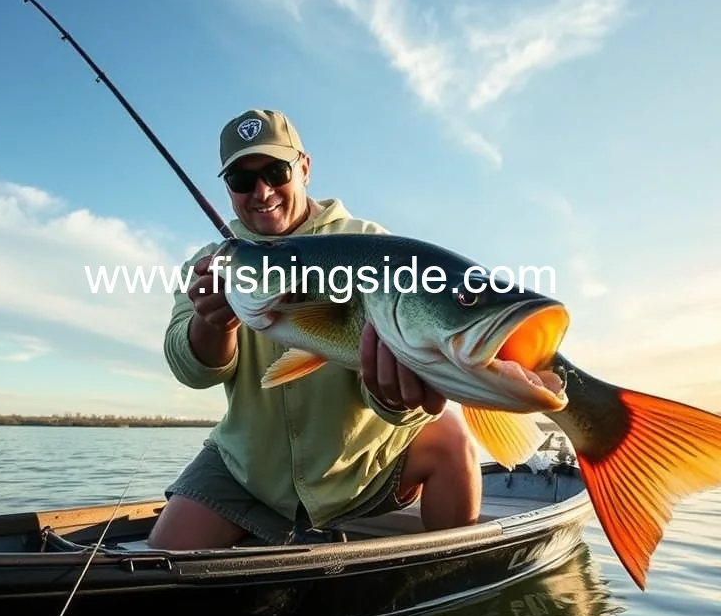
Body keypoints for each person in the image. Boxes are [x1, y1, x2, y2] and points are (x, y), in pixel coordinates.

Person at [148, 108, 481, 550]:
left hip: (363, 464)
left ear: (303, 168)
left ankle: (453, 575)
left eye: (275, 170)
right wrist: (215, 324)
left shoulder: (371, 243)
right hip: (248, 468)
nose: (261, 191)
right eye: (242, 180)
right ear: (227, 188)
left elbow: (397, 383)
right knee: (161, 563)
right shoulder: (211, 263)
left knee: (452, 437)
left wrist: (391, 396)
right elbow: (192, 370)